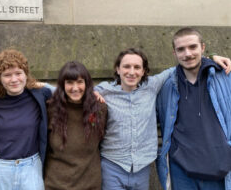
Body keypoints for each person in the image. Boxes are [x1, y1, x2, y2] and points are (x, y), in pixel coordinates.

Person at [93, 47, 231, 190]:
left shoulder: (152, 85)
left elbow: (183, 65)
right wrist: (92, 95)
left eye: (137, 67)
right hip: (113, 165)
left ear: (144, 71)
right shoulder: (104, 90)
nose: (132, 72)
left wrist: (211, 57)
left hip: (142, 166)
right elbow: (79, 91)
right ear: (117, 69)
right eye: (126, 66)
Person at [156, 27, 231, 190]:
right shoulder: (166, 86)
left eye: (192, 47)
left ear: (203, 47)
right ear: (174, 53)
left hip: (220, 170)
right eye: (181, 49)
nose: (187, 54)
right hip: (182, 173)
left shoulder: (225, 77)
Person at [0, 49, 51, 190]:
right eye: (7, 75)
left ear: (26, 74)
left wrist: (41, 84)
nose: (14, 80)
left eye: (19, 73)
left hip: (31, 168)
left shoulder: (39, 95)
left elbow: (66, 92)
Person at [44, 61, 108, 190]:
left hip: (90, 184)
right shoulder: (50, 109)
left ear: (87, 83)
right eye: (69, 82)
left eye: (80, 82)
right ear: (62, 85)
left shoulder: (99, 109)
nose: (75, 88)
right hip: (55, 185)